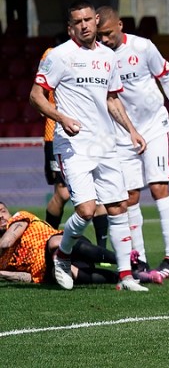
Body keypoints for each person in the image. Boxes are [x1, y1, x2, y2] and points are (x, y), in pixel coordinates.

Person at [29, 0, 149, 292]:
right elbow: (35, 96)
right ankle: (63, 255)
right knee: (85, 210)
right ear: (70, 26)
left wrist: (132, 131)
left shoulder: (108, 56)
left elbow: (112, 99)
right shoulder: (59, 56)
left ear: (96, 20)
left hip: (105, 142)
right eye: (77, 22)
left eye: (87, 20)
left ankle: (126, 277)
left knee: (118, 206)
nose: (83, 26)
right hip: (73, 144)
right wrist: (61, 117)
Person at [96, 6, 169, 279]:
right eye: (100, 35)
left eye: (108, 33)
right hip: (122, 133)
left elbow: (167, 78)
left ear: (120, 25)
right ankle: (138, 259)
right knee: (130, 195)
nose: (104, 39)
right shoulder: (98, 57)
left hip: (154, 127)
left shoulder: (143, 47)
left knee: (158, 187)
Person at [39, 32, 110, 249]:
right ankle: (46, 241)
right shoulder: (52, 54)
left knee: (98, 194)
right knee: (62, 194)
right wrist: (58, 115)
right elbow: (39, 96)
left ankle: (102, 251)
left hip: (91, 135)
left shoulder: (97, 56)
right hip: (57, 135)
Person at [0, 201, 139, 285]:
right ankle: (129, 276)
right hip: (50, 267)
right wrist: (3, 274)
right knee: (60, 274)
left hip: (70, 246)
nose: (1, 216)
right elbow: (29, 278)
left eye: (3, 211)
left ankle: (125, 260)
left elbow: (6, 242)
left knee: (54, 244)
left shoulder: (19, 218)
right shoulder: (2, 262)